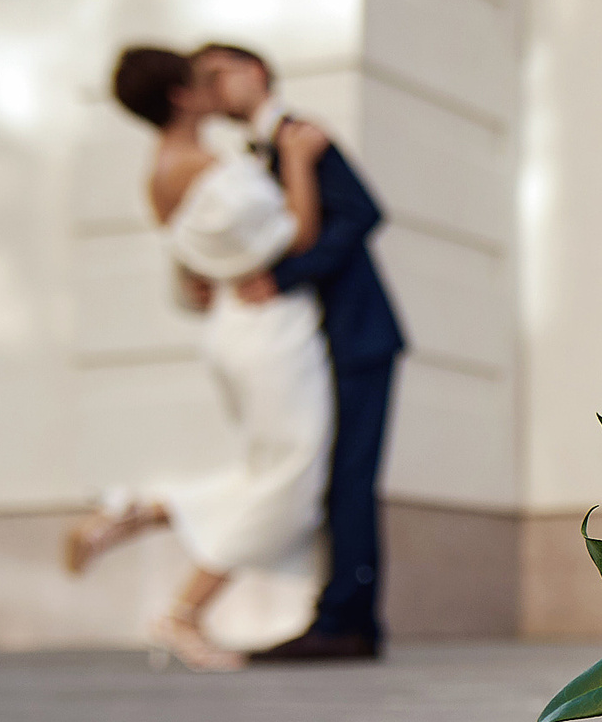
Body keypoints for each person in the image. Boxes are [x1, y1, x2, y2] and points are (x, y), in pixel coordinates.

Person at [65, 48, 335, 672]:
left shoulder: (159, 173)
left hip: (235, 332)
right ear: (182, 97)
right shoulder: (206, 168)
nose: (216, 88)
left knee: (271, 469)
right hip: (270, 331)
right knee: (290, 477)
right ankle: (181, 614)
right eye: (203, 80)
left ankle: (138, 510)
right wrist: (297, 161)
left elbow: (192, 281)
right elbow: (295, 237)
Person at [192, 43, 406, 661]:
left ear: (255, 73)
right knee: (332, 476)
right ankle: (343, 616)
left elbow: (363, 212)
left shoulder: (300, 135)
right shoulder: (256, 153)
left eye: (216, 75)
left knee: (350, 479)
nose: (209, 90)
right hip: (322, 337)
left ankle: (346, 622)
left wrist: (284, 278)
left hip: (359, 334)